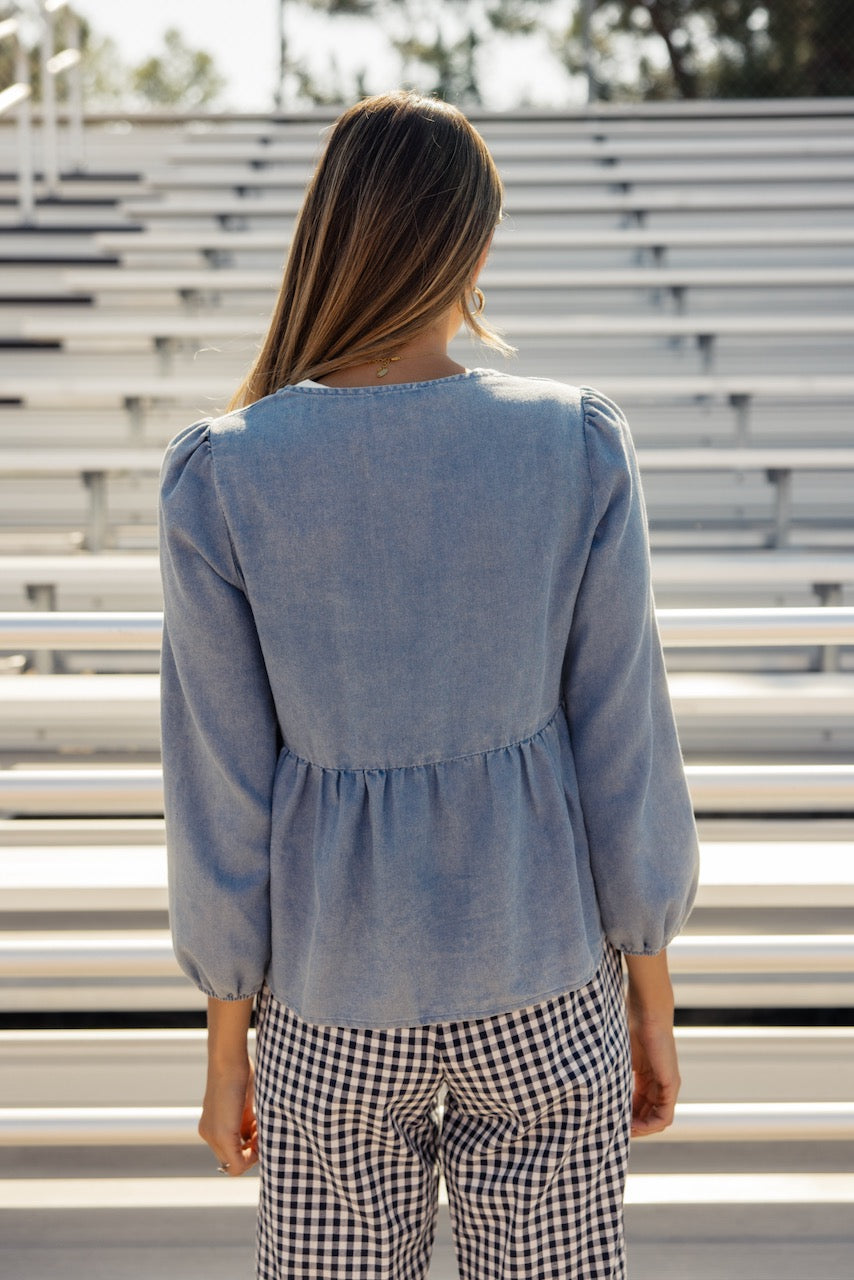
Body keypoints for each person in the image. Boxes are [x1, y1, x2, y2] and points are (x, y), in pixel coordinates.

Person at [158, 89, 700, 1280]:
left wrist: (223, 1046)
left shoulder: (222, 472)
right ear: (472, 243)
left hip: (327, 1004)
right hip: (545, 986)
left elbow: (219, 790)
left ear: (328, 235)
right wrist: (651, 1002)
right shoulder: (574, 440)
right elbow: (624, 741)